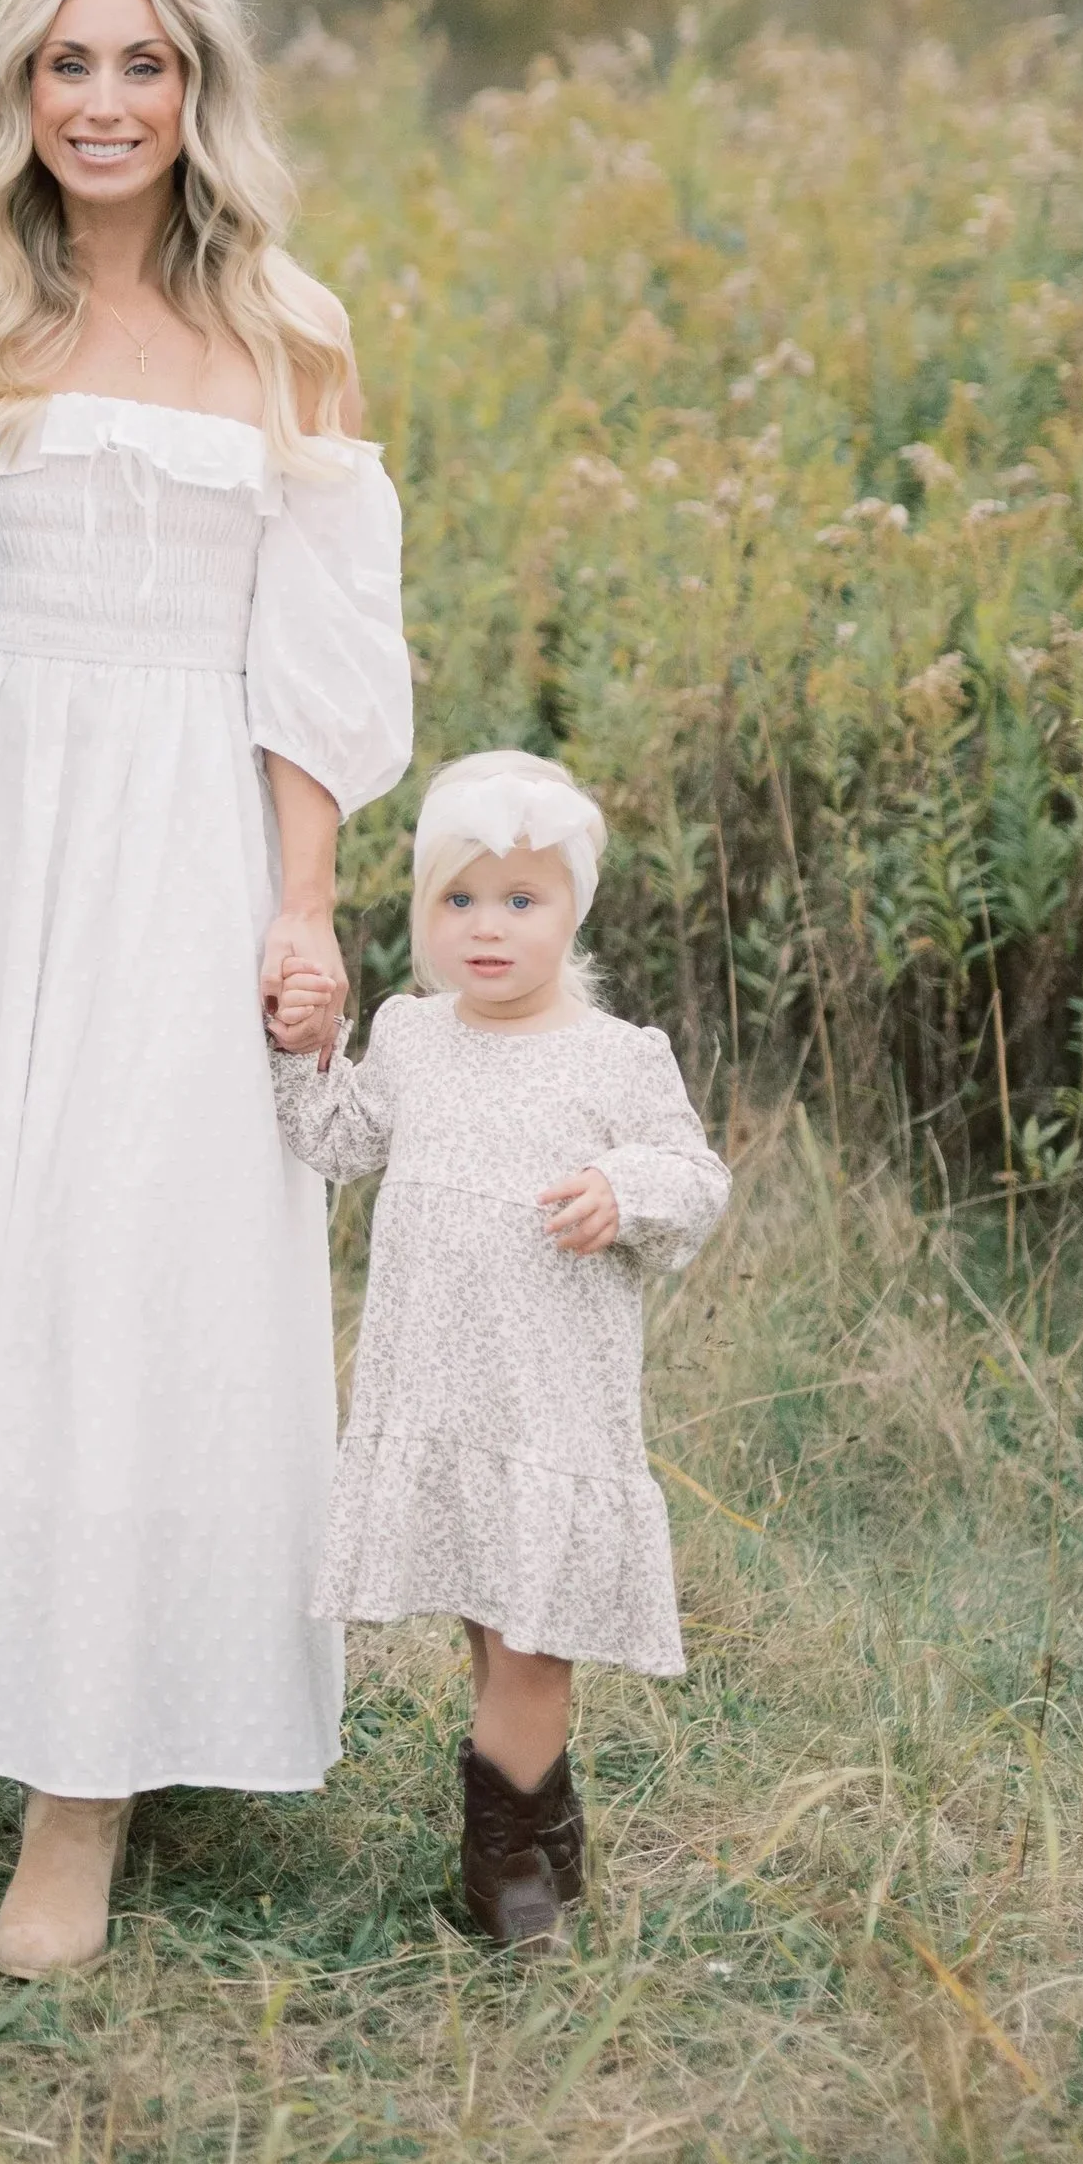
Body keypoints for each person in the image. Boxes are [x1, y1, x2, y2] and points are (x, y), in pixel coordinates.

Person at [0, 0, 414, 1978]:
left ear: (197, 92)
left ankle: (90, 1785)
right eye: (68, 65)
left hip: (174, 840)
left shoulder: (288, 333)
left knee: (145, 1263)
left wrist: (300, 911)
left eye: (144, 63)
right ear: (20, 95)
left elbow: (308, 654)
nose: (107, 101)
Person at [268, 748, 731, 1951]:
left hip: (549, 1407)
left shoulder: (616, 1055)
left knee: (532, 1638)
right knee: (489, 1621)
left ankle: (506, 1862)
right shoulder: (412, 1037)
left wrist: (618, 1190)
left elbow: (695, 1176)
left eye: (519, 902)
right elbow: (333, 1136)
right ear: (424, 911)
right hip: (437, 1386)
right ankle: (545, 1815)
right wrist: (299, 1041)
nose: (486, 929)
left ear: (570, 906)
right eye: (457, 901)